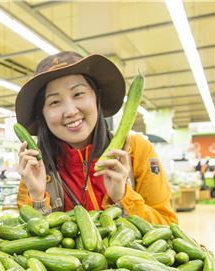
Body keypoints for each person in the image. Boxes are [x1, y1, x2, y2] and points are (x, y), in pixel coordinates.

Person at [14, 51, 178, 225]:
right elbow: (29, 242)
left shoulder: (137, 150)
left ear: (97, 97)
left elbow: (168, 226)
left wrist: (122, 197)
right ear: (42, 114)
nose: (70, 111)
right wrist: (37, 198)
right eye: (54, 102)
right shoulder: (34, 167)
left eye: (78, 94)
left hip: (130, 253)